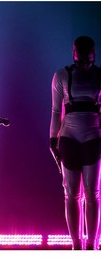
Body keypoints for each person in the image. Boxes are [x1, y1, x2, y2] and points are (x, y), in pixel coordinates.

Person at [50, 35, 101, 250]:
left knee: (93, 193)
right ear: (73, 54)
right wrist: (52, 140)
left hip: (93, 136)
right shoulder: (61, 75)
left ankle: (92, 244)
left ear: (94, 56)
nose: (84, 65)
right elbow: (54, 110)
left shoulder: (99, 75)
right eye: (80, 60)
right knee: (71, 194)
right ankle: (76, 245)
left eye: (88, 61)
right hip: (68, 138)